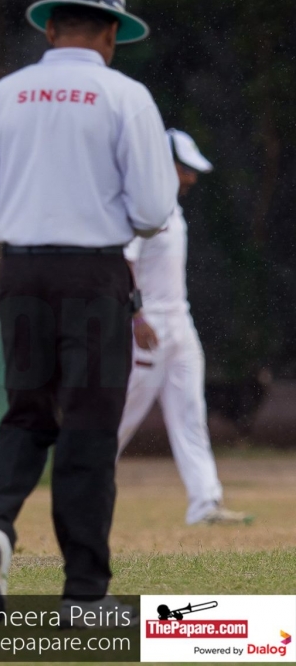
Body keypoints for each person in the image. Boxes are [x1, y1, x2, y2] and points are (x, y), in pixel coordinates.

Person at [0, 0, 177, 619]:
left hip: (22, 273)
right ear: (111, 35)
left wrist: (32, 205)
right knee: (88, 425)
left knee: (27, 412)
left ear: (51, 28)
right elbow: (154, 210)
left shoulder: (5, 94)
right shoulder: (126, 97)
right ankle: (83, 592)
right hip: (94, 276)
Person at [118, 129, 251, 525]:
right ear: (163, 164)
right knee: (120, 415)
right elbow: (125, 263)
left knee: (191, 414)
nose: (191, 178)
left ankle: (205, 503)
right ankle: (79, 484)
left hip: (180, 322)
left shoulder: (173, 209)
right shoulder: (143, 207)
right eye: (185, 169)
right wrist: (137, 316)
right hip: (148, 326)